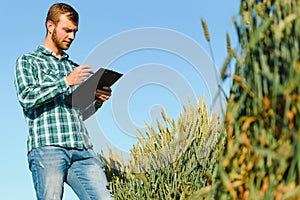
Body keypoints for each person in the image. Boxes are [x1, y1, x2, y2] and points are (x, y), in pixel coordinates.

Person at [14, 3, 114, 200]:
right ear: (50, 26)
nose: (72, 37)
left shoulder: (73, 67)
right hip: (48, 147)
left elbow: (78, 112)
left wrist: (96, 101)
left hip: (82, 150)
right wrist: (66, 82)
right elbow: (26, 97)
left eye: (75, 32)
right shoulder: (28, 61)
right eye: (67, 30)